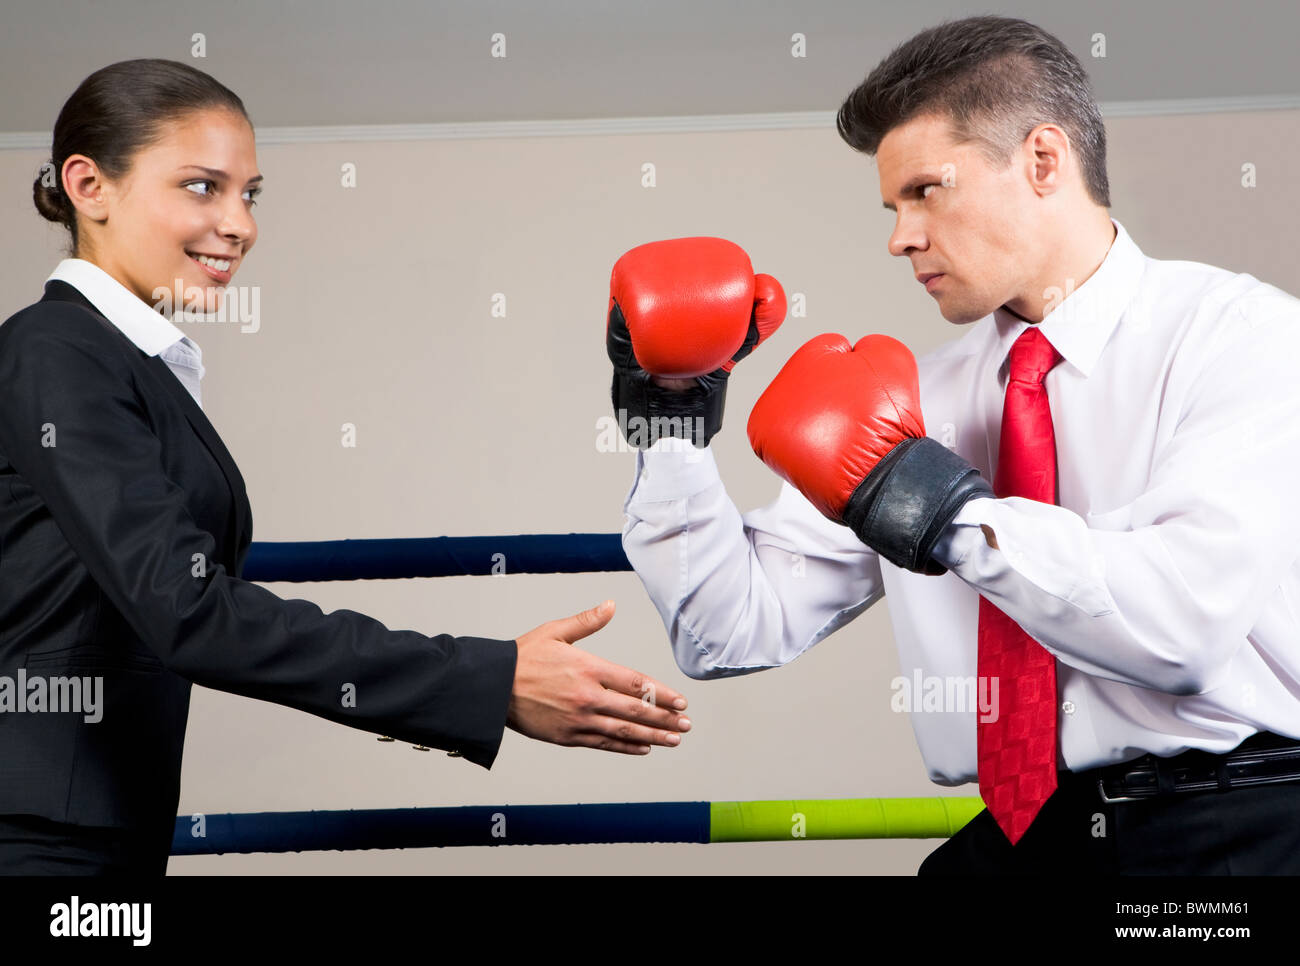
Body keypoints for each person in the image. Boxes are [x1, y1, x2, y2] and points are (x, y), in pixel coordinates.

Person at [612, 15, 1300, 874]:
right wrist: (670, 419)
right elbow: (728, 629)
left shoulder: (1241, 336)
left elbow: (1182, 631)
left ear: (1043, 162)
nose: (899, 236)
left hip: (1242, 816)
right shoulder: (913, 399)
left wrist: (939, 509)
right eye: (892, 207)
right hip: (1028, 829)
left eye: (925, 191)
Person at [0, 58, 690, 876]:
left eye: (249, 194)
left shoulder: (121, 359)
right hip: (40, 833)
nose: (240, 224)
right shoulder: (58, 351)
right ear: (89, 186)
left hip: (88, 829)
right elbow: (188, 611)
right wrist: (488, 679)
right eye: (201, 187)